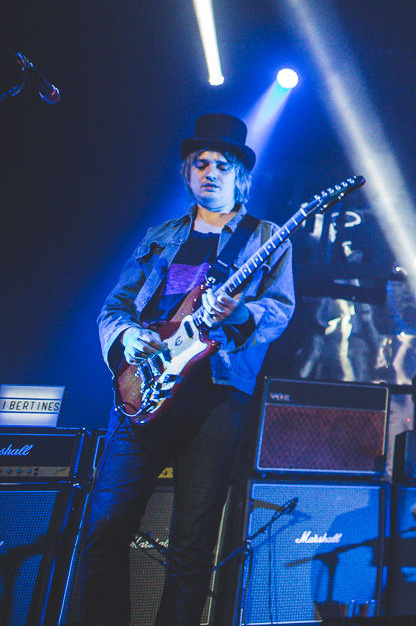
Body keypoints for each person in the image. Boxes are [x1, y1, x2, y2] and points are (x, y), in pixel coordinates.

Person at [74, 114, 294, 626]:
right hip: (144, 391)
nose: (210, 172)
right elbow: (114, 308)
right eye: (201, 163)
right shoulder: (161, 235)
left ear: (242, 177)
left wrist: (238, 312)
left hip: (214, 399)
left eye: (223, 164)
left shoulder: (265, 238)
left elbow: (278, 311)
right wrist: (128, 337)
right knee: (105, 525)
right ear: (186, 173)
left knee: (192, 543)